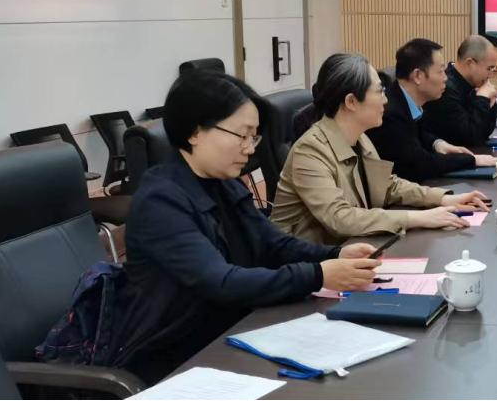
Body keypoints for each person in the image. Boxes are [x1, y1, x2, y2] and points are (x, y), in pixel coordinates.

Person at [110, 71, 383, 383]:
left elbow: (273, 244)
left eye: (254, 137)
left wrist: (336, 255)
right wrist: (318, 274)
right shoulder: (161, 202)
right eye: (242, 135)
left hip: (234, 334)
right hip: (176, 360)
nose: (250, 148)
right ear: (196, 132)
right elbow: (222, 282)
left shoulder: (223, 183)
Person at [272, 53, 489, 244]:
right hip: (308, 266)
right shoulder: (309, 151)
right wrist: (420, 218)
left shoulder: (360, 138)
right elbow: (341, 218)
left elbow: (387, 186)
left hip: (353, 249)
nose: (386, 100)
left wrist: (442, 198)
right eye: (379, 92)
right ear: (351, 101)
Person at [366, 38, 496, 182]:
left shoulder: (403, 101)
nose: (445, 78)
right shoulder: (391, 115)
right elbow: (421, 164)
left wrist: (437, 144)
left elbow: (418, 134)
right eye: (440, 72)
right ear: (418, 76)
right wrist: (471, 160)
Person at [420, 35, 497, 147]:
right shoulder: (445, 89)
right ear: (470, 63)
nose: (491, 74)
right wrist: (482, 100)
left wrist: (490, 103)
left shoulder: (471, 84)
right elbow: (470, 139)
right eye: (489, 68)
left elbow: (485, 132)